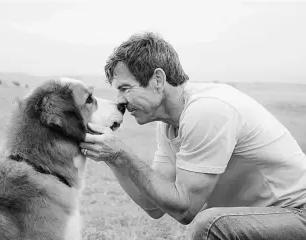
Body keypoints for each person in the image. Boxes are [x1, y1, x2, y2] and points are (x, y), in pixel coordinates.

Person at [79, 32, 306, 239]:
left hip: (297, 213)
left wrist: (122, 154)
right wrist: (112, 158)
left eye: (125, 88)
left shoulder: (206, 110)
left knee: (210, 225)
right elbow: (154, 205)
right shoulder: (169, 125)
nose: (119, 100)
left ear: (158, 80)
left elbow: (185, 209)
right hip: (265, 218)